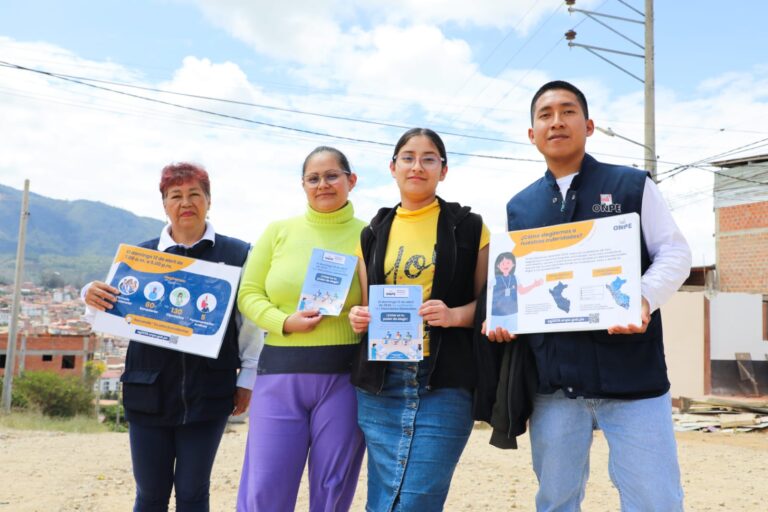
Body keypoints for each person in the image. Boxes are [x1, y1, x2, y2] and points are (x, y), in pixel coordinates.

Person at [488, 80, 692, 511]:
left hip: (633, 378)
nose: (557, 122)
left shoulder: (631, 185)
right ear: (532, 134)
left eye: (568, 111)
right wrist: (504, 315)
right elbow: (518, 279)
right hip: (554, 386)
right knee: (556, 500)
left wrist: (642, 298)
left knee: (655, 500)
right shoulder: (521, 206)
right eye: (545, 115)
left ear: (589, 125)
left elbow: (674, 252)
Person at [82, 162, 259, 512]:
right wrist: (89, 293)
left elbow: (250, 325)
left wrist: (248, 378)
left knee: (193, 492)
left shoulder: (239, 254)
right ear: (164, 204)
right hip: (148, 390)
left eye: (195, 194)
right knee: (150, 493)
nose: (186, 202)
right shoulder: (140, 257)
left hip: (209, 392)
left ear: (209, 200)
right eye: (176, 196)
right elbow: (104, 311)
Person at [348, 128, 490, 511]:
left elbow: (491, 304)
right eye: (408, 158)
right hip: (381, 383)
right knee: (381, 501)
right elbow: (366, 304)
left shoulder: (470, 226)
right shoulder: (372, 232)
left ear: (443, 170)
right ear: (392, 167)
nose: (417, 166)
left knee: (417, 501)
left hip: (444, 381)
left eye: (429, 159)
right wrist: (359, 316)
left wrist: (454, 315)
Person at [236, 146, 366, 511]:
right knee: (266, 485)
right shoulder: (278, 231)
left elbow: (380, 297)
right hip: (279, 374)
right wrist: (284, 322)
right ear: (303, 184)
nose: (323, 184)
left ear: (351, 180)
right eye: (313, 178)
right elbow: (249, 293)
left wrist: (362, 314)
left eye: (332, 176)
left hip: (344, 378)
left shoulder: (370, 234)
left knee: (333, 487)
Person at [489, 251, 542, 332]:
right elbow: (487, 295)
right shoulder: (495, 279)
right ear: (498, 266)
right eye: (503, 263)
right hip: (497, 314)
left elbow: (522, 291)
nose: (505, 265)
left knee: (512, 333)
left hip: (512, 313)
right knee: (495, 333)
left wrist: (534, 285)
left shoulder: (515, 278)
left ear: (513, 264)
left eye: (508, 263)